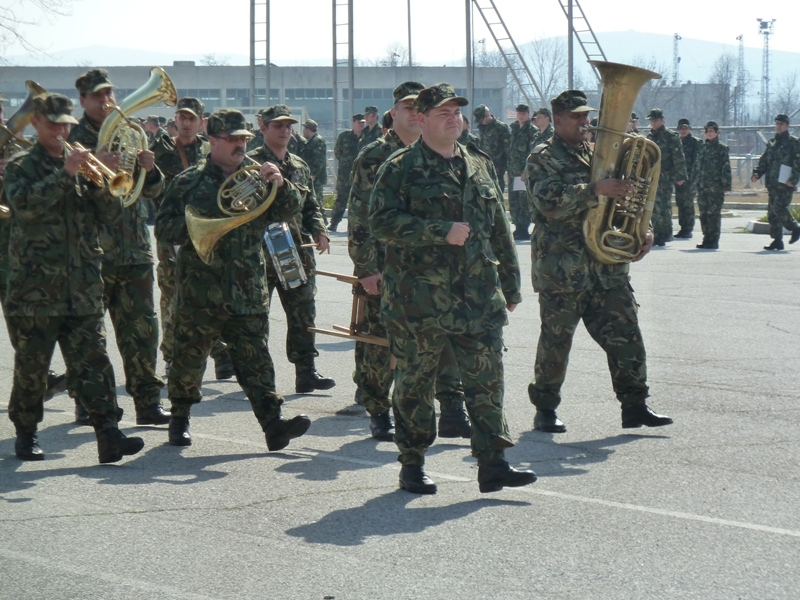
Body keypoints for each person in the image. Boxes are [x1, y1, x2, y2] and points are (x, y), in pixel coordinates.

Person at [370, 83, 536, 495]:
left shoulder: (477, 164)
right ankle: (412, 462)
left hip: (478, 297)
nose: (453, 118)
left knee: (487, 380)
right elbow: (380, 222)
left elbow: (499, 227)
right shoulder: (399, 167)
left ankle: (493, 461)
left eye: (457, 112)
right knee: (415, 384)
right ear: (421, 120)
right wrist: (438, 231)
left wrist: (511, 285)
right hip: (419, 302)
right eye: (443, 113)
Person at [155, 108, 311, 449]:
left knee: (256, 359)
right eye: (233, 139)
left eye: (244, 139)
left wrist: (281, 184)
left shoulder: (259, 177)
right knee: (188, 356)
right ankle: (179, 420)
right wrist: (206, 224)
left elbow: (288, 211)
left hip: (247, 287)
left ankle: (273, 425)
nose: (241, 145)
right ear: (213, 140)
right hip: (201, 289)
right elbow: (165, 227)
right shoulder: (188, 182)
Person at [3, 93, 145, 462]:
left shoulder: (85, 168)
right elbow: (25, 207)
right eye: (53, 124)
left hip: (82, 287)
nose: (62, 130)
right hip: (36, 289)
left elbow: (110, 218)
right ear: (35, 123)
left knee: (95, 363)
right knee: (32, 366)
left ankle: (109, 434)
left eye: (66, 123)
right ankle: (26, 433)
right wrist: (65, 174)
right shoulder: (21, 166)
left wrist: (103, 183)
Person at [525, 90, 673, 435]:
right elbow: (549, 202)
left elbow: (630, 199)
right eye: (576, 116)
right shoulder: (542, 156)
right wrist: (594, 190)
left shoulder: (599, 153)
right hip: (563, 269)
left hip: (607, 267)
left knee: (626, 333)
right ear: (557, 119)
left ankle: (635, 405)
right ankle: (545, 408)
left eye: (585, 115)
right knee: (556, 341)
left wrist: (643, 231)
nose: (584, 122)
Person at [348, 81, 471, 442]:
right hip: (387, 268)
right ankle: (377, 409)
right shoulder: (374, 156)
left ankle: (451, 407)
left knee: (446, 337)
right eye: (406, 107)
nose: (414, 113)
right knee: (378, 340)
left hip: (436, 268)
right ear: (395, 113)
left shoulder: (448, 152)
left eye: (420, 107)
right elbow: (360, 218)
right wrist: (367, 269)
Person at [69, 68, 170, 426]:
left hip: (135, 250)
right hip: (92, 253)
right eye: (98, 96)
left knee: (143, 330)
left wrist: (150, 168)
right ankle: (90, 401)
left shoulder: (128, 131)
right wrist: (94, 165)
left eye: (109, 94)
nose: (107, 101)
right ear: (83, 100)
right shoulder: (73, 138)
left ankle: (147, 402)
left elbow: (153, 191)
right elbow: (69, 195)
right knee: (90, 336)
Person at [248, 104, 335, 394]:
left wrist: (320, 229)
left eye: (288, 126)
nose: (285, 131)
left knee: (303, 313)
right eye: (277, 126)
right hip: (260, 251)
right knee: (257, 316)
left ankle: (306, 372)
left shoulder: (299, 165)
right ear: (263, 128)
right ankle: (257, 376)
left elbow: (312, 205)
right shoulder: (251, 162)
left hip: (297, 250)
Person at [151, 97, 235, 379]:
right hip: (174, 233)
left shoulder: (211, 150)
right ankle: (172, 355)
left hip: (210, 232)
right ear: (175, 119)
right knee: (172, 297)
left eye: (191, 118)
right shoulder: (160, 149)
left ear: (202, 123)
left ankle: (221, 353)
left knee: (214, 294)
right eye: (181, 117)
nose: (185, 123)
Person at [0, 92, 67, 401]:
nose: (2, 120)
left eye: (1, 113)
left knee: (20, 321)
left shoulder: (14, 150)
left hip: (12, 243)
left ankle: (41, 378)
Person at [751, 113, 800, 251]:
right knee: (772, 213)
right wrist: (757, 173)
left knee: (779, 208)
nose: (778, 126)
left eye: (781, 124)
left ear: (787, 126)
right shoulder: (772, 143)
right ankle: (777, 240)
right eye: (777, 124)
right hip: (772, 183)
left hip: (785, 183)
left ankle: (795, 228)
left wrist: (794, 179)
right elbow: (764, 161)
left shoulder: (794, 143)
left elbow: (798, 163)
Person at [646, 108, 688, 246]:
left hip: (665, 176)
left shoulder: (670, 136)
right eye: (652, 121)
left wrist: (680, 175)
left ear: (662, 120)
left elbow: (679, 157)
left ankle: (664, 234)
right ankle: (655, 233)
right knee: (652, 205)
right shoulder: (650, 137)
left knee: (663, 205)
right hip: (651, 176)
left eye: (656, 120)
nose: (653, 123)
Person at [693, 121, 731, 250]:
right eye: (707, 131)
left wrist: (726, 185)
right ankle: (706, 238)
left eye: (712, 131)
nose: (709, 133)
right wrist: (694, 183)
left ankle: (713, 240)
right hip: (702, 186)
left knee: (713, 214)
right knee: (703, 213)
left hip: (715, 186)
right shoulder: (702, 148)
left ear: (717, 132)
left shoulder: (721, 148)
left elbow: (725, 168)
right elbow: (697, 167)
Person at [330, 113, 365, 231]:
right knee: (341, 198)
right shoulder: (344, 137)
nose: (361, 124)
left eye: (363, 122)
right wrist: (346, 163)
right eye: (359, 122)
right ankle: (334, 222)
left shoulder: (367, 137)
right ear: (353, 123)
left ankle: (357, 225)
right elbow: (337, 152)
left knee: (360, 199)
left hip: (361, 174)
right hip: (345, 174)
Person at [507, 103, 538, 240]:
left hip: (523, 172)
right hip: (512, 170)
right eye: (519, 113)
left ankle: (523, 228)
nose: (521, 115)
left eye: (524, 113)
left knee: (523, 200)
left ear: (528, 115)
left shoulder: (532, 130)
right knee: (514, 200)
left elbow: (532, 153)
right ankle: (517, 226)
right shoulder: (513, 128)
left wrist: (526, 170)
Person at [473, 103, 511, 192]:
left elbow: (508, 148)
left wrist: (508, 165)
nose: (481, 122)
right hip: (484, 165)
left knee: (497, 189)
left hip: (497, 165)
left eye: (482, 119)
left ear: (487, 115)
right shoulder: (483, 128)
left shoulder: (500, 127)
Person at [675, 117, 701, 239]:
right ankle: (683, 228)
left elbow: (698, 162)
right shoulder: (676, 142)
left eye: (685, 128)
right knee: (680, 203)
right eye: (681, 128)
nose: (683, 131)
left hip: (690, 178)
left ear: (689, 129)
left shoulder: (696, 143)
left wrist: (694, 178)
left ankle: (688, 228)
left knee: (688, 204)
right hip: (678, 179)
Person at [298, 118, 328, 212]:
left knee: (317, 201)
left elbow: (319, 160)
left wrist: (313, 174)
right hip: (311, 177)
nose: (303, 131)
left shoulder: (317, 141)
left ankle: (321, 220)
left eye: (304, 129)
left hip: (316, 178)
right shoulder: (311, 141)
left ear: (308, 129)